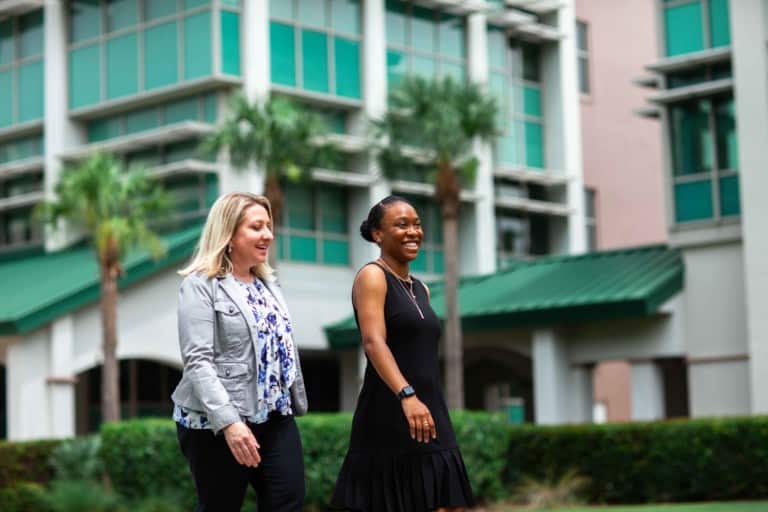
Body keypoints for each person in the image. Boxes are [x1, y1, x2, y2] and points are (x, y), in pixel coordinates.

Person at [331, 196, 475, 512]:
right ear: (377, 234)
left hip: (430, 408)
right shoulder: (373, 276)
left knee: (449, 502)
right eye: (401, 224)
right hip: (392, 409)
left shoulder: (420, 288)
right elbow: (373, 342)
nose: (413, 232)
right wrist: (406, 395)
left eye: (417, 224)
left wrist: (420, 400)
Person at [171, 192, 308, 512]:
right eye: (256, 227)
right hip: (214, 423)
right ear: (229, 234)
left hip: (275, 416)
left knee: (288, 501)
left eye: (269, 227)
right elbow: (198, 361)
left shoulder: (268, 285)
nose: (268, 235)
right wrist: (229, 423)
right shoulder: (200, 285)